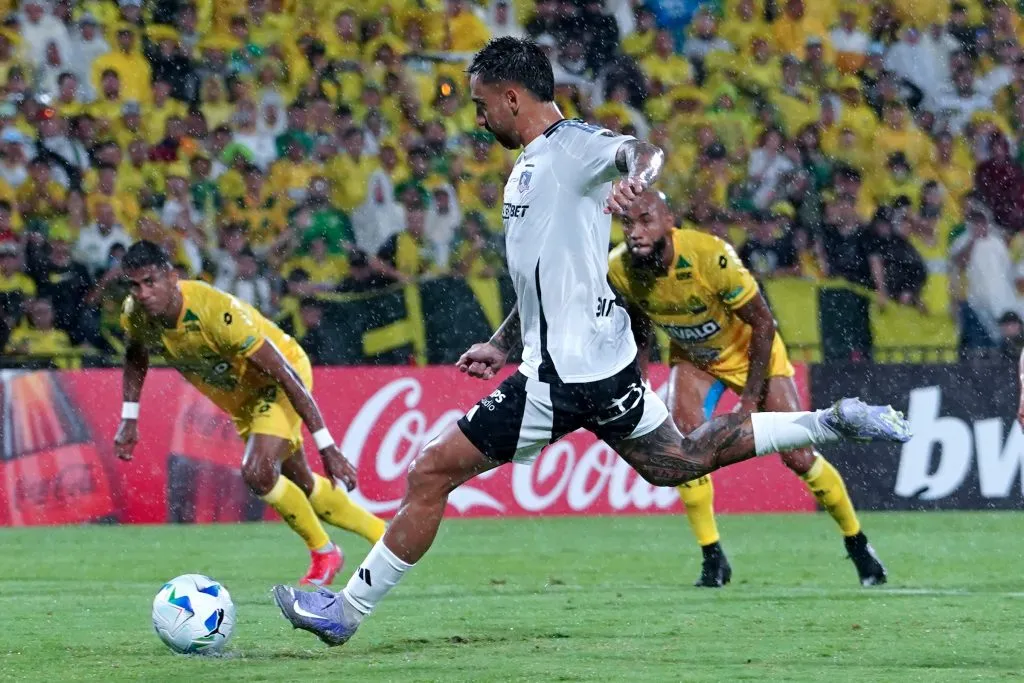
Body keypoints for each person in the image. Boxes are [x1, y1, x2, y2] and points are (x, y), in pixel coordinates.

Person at [271, 36, 911, 647]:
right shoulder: (529, 166)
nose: (478, 118)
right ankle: (830, 422)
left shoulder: (572, 145)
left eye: (481, 104)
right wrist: (503, 342)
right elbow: (543, 280)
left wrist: (637, 178)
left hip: (562, 378)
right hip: (601, 366)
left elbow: (642, 152)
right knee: (677, 461)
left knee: (430, 470)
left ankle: (346, 611)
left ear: (512, 97)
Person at [608, 190, 886, 588]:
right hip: (694, 359)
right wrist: (639, 378)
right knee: (681, 450)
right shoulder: (619, 266)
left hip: (751, 354)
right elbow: (640, 321)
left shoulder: (710, 256)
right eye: (628, 223)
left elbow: (764, 323)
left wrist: (750, 397)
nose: (635, 232)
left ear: (669, 221)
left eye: (646, 220)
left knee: (799, 457)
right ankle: (713, 558)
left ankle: (856, 542)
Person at [113, 240, 385, 587]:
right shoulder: (135, 314)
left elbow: (286, 375)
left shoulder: (215, 312)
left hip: (279, 379)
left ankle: (325, 552)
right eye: (135, 285)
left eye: (150, 282)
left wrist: (327, 446)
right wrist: (129, 417)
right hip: (242, 398)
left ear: (171, 277)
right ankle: (383, 535)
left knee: (257, 472)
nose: (143, 293)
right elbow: (136, 355)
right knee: (301, 481)